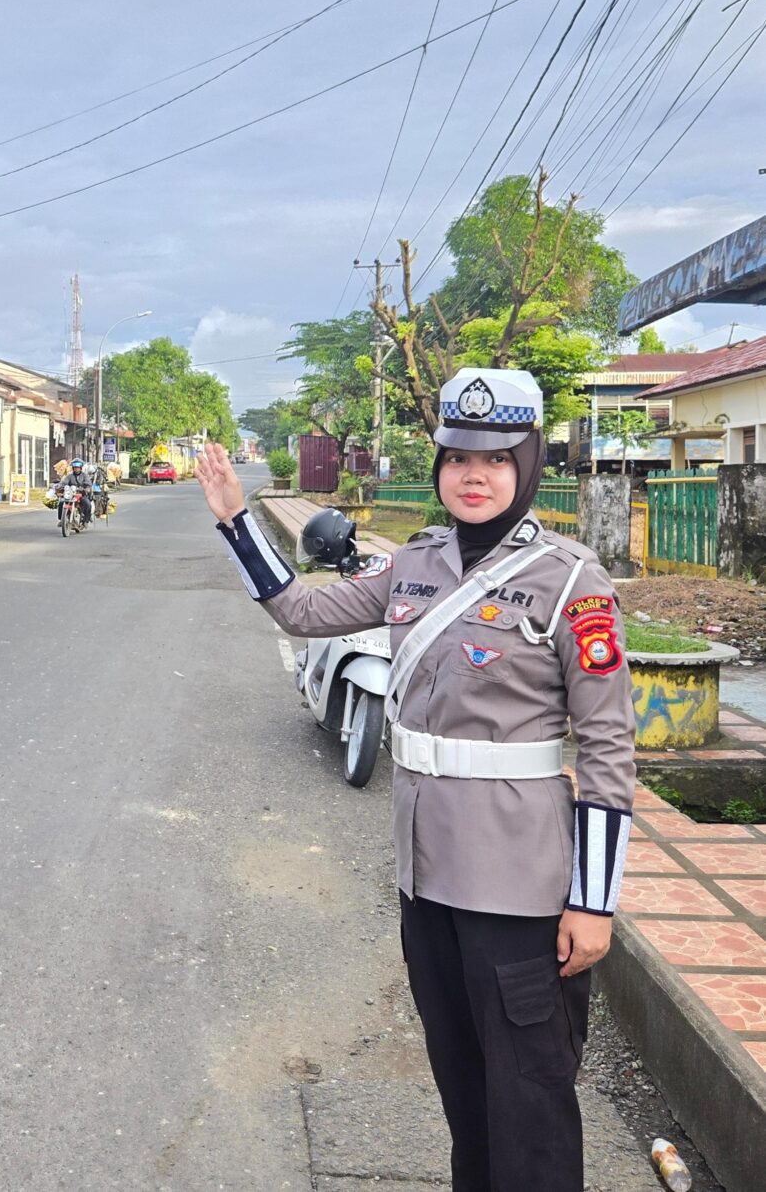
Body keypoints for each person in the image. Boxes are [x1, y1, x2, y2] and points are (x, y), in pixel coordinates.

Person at [195, 369, 635, 1192]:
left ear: (528, 466)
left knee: (531, 1107)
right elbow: (303, 613)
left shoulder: (570, 580)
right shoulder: (417, 564)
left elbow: (609, 748)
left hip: (519, 893)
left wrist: (594, 902)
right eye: (459, 457)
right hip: (427, 885)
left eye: (497, 460)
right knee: (465, 1096)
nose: (475, 475)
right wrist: (235, 521)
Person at [58, 458, 94, 526]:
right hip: (70, 495)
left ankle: (86, 520)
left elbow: (88, 484)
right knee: (61, 502)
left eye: (78, 467)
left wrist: (86, 488)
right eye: (75, 467)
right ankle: (61, 520)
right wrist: (60, 487)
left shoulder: (84, 476)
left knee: (88, 504)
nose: (76, 469)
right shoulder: (69, 476)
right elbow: (64, 483)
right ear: (73, 468)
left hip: (81, 495)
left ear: (80, 468)